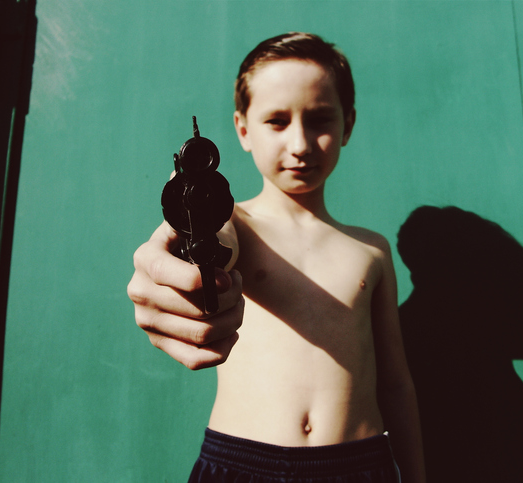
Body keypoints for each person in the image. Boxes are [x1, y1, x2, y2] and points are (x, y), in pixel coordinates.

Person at [127, 32, 425, 483]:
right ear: (242, 130)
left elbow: (396, 384)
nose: (301, 144)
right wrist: (194, 210)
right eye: (277, 121)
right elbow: (210, 228)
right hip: (242, 464)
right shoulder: (239, 224)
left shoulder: (371, 250)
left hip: (362, 467)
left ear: (349, 125)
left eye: (321, 119)